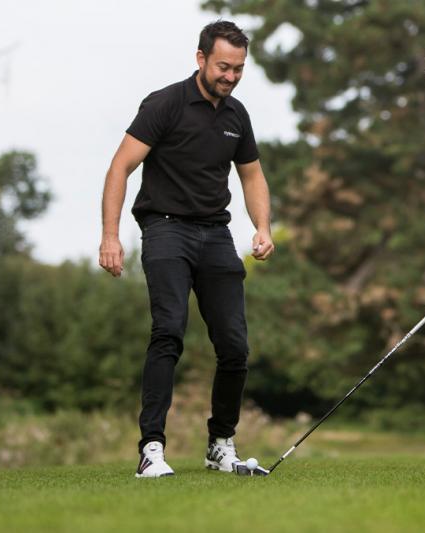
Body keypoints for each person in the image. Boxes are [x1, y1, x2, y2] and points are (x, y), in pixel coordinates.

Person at [98, 20, 274, 478]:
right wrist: (110, 235)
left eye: (238, 69)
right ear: (200, 59)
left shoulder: (237, 115)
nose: (230, 77)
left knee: (235, 345)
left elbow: (251, 175)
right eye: (222, 67)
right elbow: (121, 167)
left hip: (216, 234)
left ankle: (221, 445)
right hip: (166, 230)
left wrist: (263, 227)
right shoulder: (164, 105)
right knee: (169, 332)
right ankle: (151, 449)